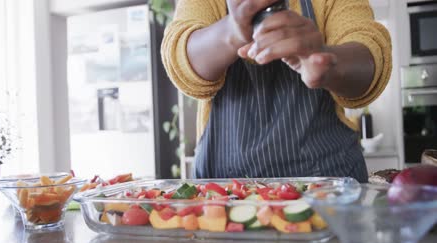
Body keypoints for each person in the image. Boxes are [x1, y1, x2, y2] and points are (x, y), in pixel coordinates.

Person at [161, 0, 392, 183]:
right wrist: (232, 31)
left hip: (328, 192)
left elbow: (368, 51)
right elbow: (182, 57)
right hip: (224, 195)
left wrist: (327, 63)